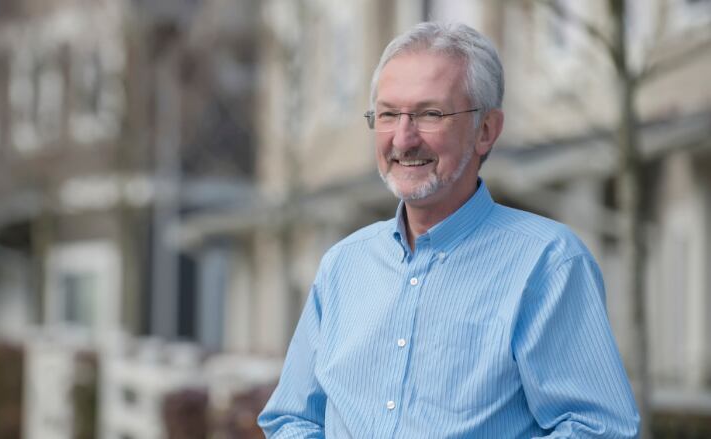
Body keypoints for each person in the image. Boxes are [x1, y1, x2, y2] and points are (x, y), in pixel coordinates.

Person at [258, 21, 640, 438]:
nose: (403, 139)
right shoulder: (343, 266)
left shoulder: (548, 264)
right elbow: (291, 419)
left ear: (486, 130)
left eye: (429, 114)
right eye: (388, 114)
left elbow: (599, 429)